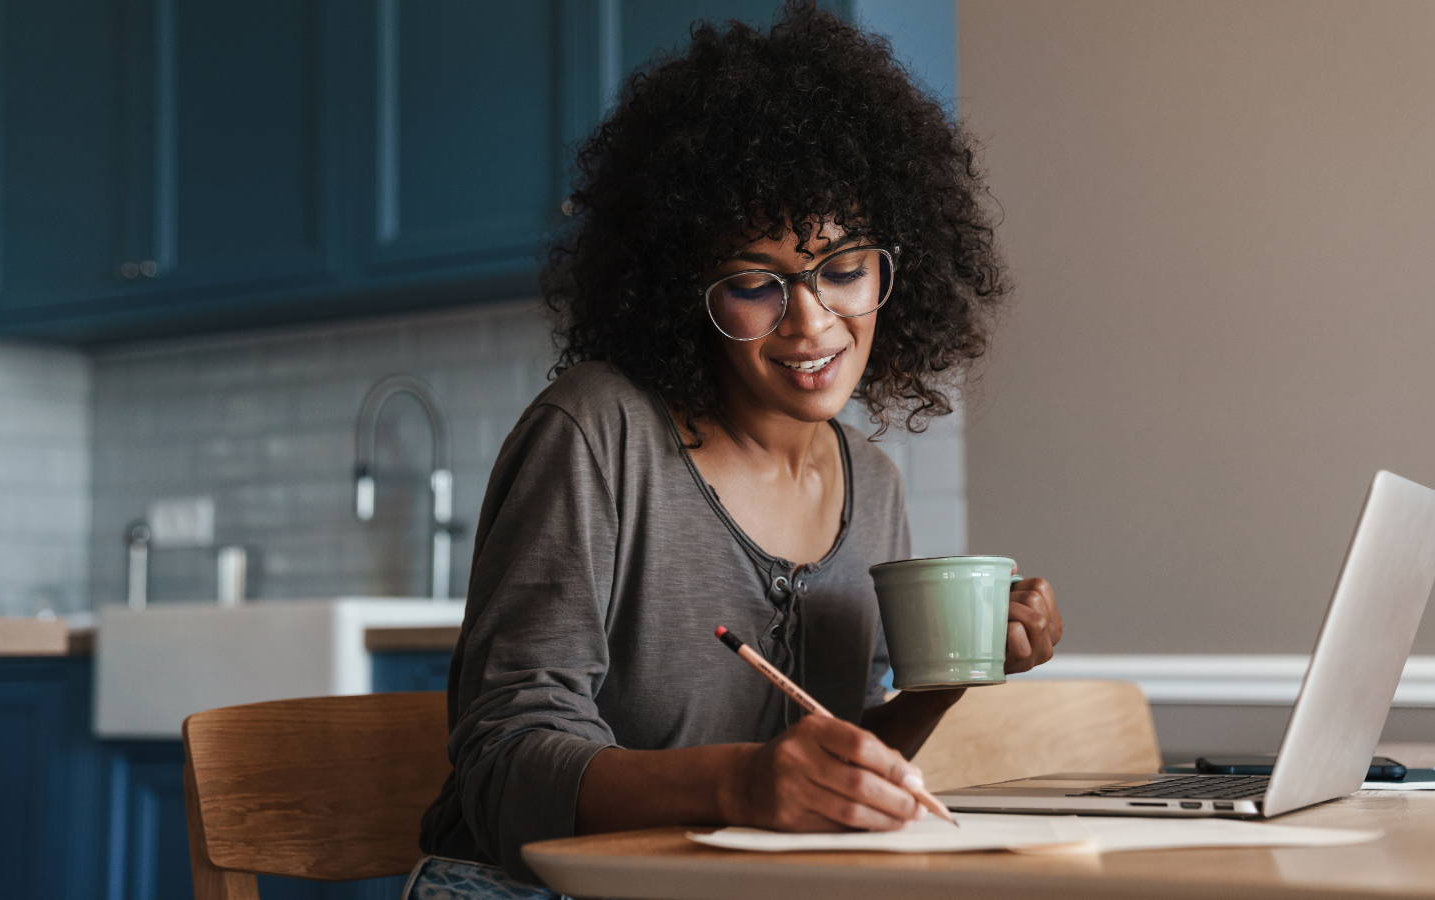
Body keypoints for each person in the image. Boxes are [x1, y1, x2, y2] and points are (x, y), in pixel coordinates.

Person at [409, 4, 1062, 897]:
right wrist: (741, 784)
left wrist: (954, 674)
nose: (812, 321)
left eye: (843, 268)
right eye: (756, 284)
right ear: (684, 291)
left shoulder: (871, 485)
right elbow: (505, 766)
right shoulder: (596, 435)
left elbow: (823, 763)